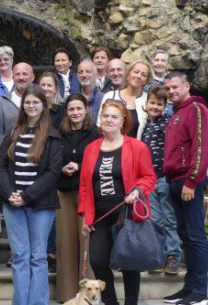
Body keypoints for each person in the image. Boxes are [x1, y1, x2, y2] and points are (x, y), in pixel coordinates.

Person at [79, 100, 157, 305]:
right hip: (100, 216)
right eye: (106, 116)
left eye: (114, 117)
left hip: (127, 215)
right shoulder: (91, 149)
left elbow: (149, 177)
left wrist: (137, 191)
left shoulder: (137, 147)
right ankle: (111, 302)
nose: (109, 120)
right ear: (100, 119)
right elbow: (85, 186)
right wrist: (86, 217)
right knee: (97, 260)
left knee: (130, 263)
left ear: (123, 121)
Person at [0, 85, 63, 305]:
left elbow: (53, 173)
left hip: (40, 205)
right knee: (20, 257)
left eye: (36, 102)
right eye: (28, 102)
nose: (31, 106)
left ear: (44, 106)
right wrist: (9, 193)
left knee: (38, 257)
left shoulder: (52, 136)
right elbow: (0, 165)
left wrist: (27, 196)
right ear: (23, 105)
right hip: (13, 205)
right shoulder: (14, 132)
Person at [161, 71, 208, 305]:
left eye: (175, 87)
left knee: (195, 236)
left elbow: (200, 148)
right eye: (168, 88)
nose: (171, 91)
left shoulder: (196, 110)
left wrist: (192, 180)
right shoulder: (177, 113)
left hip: (187, 181)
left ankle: (200, 292)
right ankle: (189, 288)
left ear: (187, 86)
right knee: (185, 236)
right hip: (174, 180)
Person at [55, 94, 100, 302]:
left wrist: (80, 167)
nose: (75, 113)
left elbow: (100, 161)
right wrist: (61, 168)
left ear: (86, 109)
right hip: (63, 191)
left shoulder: (95, 133)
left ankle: (89, 297)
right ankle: (67, 295)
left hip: (86, 192)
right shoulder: (58, 133)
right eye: (71, 109)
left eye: (79, 109)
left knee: (86, 242)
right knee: (65, 243)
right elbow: (51, 160)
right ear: (67, 112)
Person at [142, 86, 181, 275]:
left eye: (159, 104)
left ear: (166, 106)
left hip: (164, 178)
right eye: (152, 103)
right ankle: (160, 255)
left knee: (169, 218)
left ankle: (173, 255)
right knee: (156, 219)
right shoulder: (146, 126)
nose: (155, 107)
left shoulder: (167, 123)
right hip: (149, 180)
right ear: (146, 104)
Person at [97, 59, 151, 139]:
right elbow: (100, 125)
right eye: (136, 72)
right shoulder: (110, 96)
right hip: (110, 146)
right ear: (128, 74)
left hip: (135, 148)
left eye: (143, 75)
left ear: (146, 81)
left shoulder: (148, 100)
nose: (138, 76)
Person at [0, 62, 34, 141]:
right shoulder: (2, 101)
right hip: (10, 150)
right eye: (17, 74)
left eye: (24, 74)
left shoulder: (41, 98)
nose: (21, 77)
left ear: (32, 77)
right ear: (13, 78)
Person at [145, 50, 173, 116]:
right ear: (152, 62)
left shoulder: (171, 80)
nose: (159, 63)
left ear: (167, 63)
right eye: (156, 60)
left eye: (163, 60)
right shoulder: (146, 77)